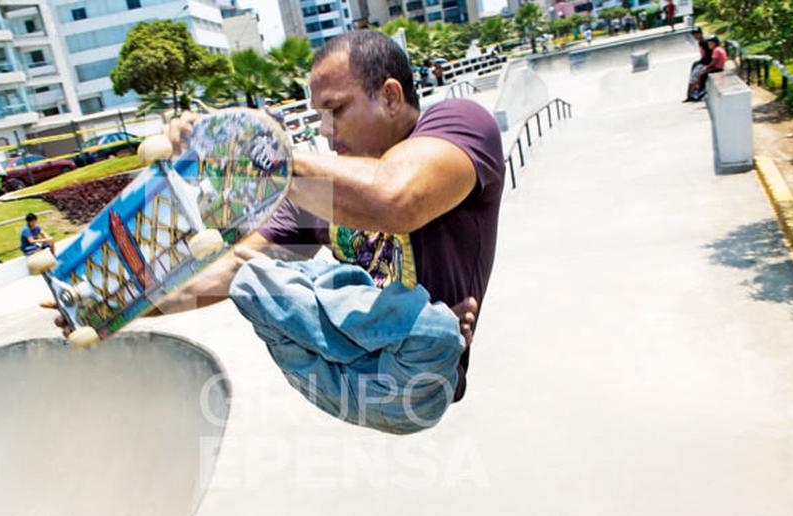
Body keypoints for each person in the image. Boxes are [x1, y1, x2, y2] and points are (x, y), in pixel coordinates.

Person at [52, 31, 505, 434]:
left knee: (378, 308)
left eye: (336, 111)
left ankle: (421, 326)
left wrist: (258, 156)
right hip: (358, 380)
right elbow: (229, 270)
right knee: (257, 276)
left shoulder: (459, 124)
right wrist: (114, 303)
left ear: (389, 96)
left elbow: (395, 199)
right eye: (320, 116)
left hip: (423, 374)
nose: (326, 132)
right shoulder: (324, 197)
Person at [691, 36, 727, 101]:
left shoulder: (716, 50)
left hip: (717, 68)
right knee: (703, 73)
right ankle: (700, 90)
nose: (709, 45)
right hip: (719, 67)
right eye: (708, 44)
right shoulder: (719, 48)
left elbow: (714, 61)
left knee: (703, 74)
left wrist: (707, 67)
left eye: (710, 44)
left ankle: (701, 90)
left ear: (715, 43)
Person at [684, 27, 712, 101]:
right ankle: (691, 94)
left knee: (694, 76)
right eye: (694, 35)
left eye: (697, 34)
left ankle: (691, 95)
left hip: (707, 63)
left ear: (701, 34)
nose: (695, 36)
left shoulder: (704, 42)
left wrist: (701, 63)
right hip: (704, 62)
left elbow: (708, 55)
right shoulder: (700, 42)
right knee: (694, 69)